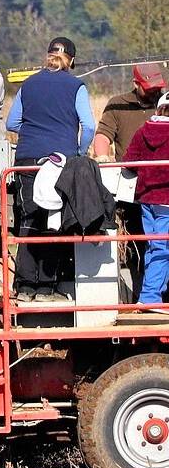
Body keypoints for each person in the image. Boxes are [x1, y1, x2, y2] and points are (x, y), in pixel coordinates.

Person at [5, 36, 96, 302]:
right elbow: (89, 126)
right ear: (72, 60)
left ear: (48, 56)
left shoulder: (29, 84)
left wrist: (35, 131)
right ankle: (47, 288)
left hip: (27, 160)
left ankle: (24, 288)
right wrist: (79, 151)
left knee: (28, 219)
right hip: (59, 161)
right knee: (54, 220)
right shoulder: (76, 86)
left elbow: (12, 123)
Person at [94, 63, 166, 300]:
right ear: (136, 84)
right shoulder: (118, 105)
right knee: (142, 247)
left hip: (155, 192)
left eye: (157, 87)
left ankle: (153, 296)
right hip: (131, 191)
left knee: (158, 246)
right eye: (149, 87)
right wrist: (102, 157)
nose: (154, 91)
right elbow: (103, 136)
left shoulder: (163, 105)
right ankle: (144, 296)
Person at [122, 92, 169, 311]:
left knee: (153, 246)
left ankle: (150, 295)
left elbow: (129, 162)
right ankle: (151, 297)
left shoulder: (143, 130)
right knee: (162, 248)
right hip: (166, 199)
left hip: (146, 199)